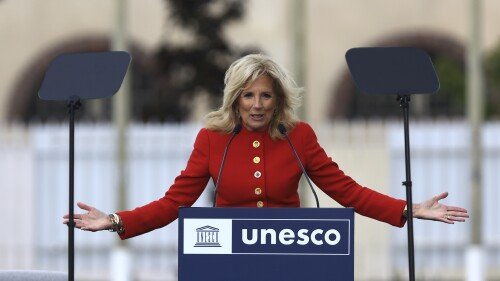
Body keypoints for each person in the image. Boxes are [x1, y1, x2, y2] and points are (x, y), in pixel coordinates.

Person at [64, 53, 469, 239]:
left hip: (291, 254)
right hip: (226, 258)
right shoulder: (211, 140)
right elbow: (174, 204)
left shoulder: (300, 136)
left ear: (279, 101)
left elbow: (346, 191)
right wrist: (116, 220)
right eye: (248, 96)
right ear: (235, 99)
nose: (257, 105)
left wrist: (407, 209)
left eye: (266, 96)